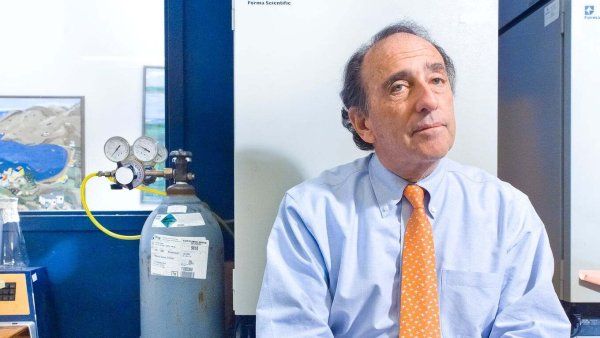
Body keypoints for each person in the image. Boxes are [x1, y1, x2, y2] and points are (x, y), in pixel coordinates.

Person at [256, 21, 571, 337]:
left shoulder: (507, 210)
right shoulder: (312, 211)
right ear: (363, 122)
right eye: (399, 87)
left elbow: (533, 329)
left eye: (437, 80)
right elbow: (291, 330)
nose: (429, 101)